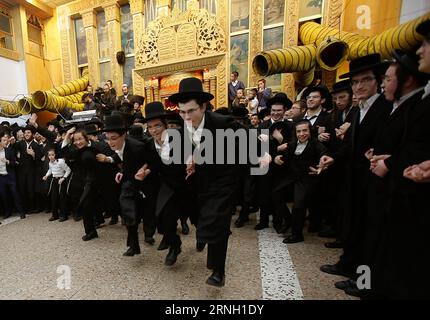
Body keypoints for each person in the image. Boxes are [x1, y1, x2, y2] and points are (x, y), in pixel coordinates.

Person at [320, 53, 393, 296]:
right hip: (353, 179)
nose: (359, 86)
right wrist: (334, 157)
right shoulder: (357, 110)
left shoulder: (385, 107)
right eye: (355, 82)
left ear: (378, 80)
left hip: (374, 181)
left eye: (365, 80)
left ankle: (363, 282)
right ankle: (347, 265)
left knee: (369, 234)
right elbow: (351, 146)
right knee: (353, 225)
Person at [169, 77, 242, 287]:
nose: (186, 117)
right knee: (202, 221)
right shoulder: (180, 131)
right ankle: (203, 234)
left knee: (218, 223)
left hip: (222, 180)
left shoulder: (222, 123)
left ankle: (218, 271)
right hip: (196, 185)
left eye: (191, 111)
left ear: (203, 106)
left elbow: (245, 141)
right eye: (182, 112)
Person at [100, 114, 158, 256]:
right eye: (107, 138)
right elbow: (123, 159)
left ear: (124, 135)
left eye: (113, 138)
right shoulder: (119, 147)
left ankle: (150, 235)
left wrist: (145, 170)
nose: (110, 142)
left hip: (147, 183)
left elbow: (154, 161)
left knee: (148, 213)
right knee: (128, 212)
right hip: (130, 182)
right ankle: (133, 246)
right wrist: (122, 172)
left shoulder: (138, 147)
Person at [273, 120, 327, 243]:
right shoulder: (291, 145)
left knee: (299, 203)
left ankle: (297, 234)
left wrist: (320, 167)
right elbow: (284, 158)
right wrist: (277, 158)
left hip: (307, 178)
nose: (301, 134)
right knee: (276, 193)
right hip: (293, 177)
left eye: (304, 130)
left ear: (310, 131)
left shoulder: (316, 144)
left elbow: (324, 156)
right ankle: (288, 219)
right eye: (299, 131)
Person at [61, 127, 100, 241]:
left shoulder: (93, 149)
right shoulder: (77, 151)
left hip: (92, 183)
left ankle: (92, 230)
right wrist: (67, 136)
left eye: (80, 139)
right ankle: (91, 231)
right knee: (86, 207)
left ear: (86, 138)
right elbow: (66, 154)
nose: (78, 142)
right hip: (82, 182)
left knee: (87, 206)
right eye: (75, 140)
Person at [12, 125, 42, 215]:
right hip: (21, 171)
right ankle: (24, 208)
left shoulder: (36, 145)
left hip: (32, 172)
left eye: (28, 132)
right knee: (22, 189)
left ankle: (32, 208)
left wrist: (33, 155)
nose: (26, 134)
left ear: (32, 134)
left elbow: (39, 161)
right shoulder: (20, 143)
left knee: (31, 190)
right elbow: (12, 149)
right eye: (25, 133)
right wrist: (13, 143)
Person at [0, 133, 25, 220]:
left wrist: (7, 161)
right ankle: (7, 212)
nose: (6, 141)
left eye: (6, 140)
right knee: (3, 195)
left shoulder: (9, 150)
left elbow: (14, 163)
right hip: (1, 177)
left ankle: (21, 212)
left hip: (10, 176)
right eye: (3, 140)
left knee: (15, 194)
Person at [43, 149, 71, 222]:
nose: (51, 156)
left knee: (62, 198)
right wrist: (46, 175)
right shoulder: (50, 163)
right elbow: (50, 170)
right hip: (54, 180)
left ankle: (64, 215)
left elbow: (68, 170)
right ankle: (55, 215)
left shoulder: (60, 162)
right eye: (49, 155)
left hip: (61, 180)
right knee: (54, 198)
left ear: (55, 155)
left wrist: (64, 178)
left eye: (52, 155)